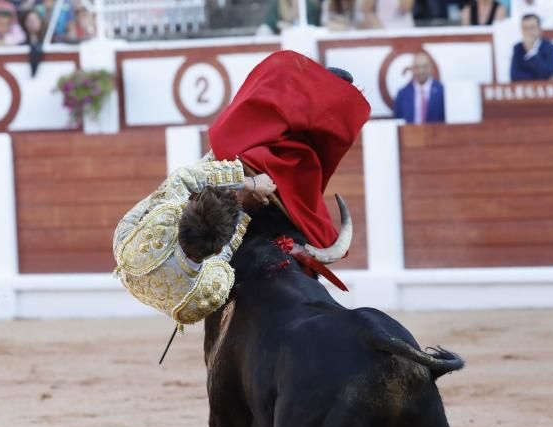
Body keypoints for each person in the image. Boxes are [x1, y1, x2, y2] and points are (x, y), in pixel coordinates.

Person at [113, 51, 370, 326]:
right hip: (127, 251)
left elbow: (225, 245)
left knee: (228, 140)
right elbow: (188, 179)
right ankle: (318, 98)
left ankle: (314, 101)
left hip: (162, 280)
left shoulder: (201, 284)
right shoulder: (139, 233)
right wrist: (248, 185)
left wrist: (249, 189)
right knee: (229, 134)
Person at [392, 51, 445, 124]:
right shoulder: (402, 94)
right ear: (412, 69)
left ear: (430, 68)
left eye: (424, 66)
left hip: (436, 134)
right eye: (417, 67)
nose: (421, 71)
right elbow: (397, 121)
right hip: (410, 134)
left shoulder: (442, 91)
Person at [510, 13, 553, 81]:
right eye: (525, 28)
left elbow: (547, 74)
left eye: (532, 28)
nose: (529, 32)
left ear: (539, 28)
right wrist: (539, 77)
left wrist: (531, 51)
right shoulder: (517, 48)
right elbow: (514, 76)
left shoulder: (550, 48)